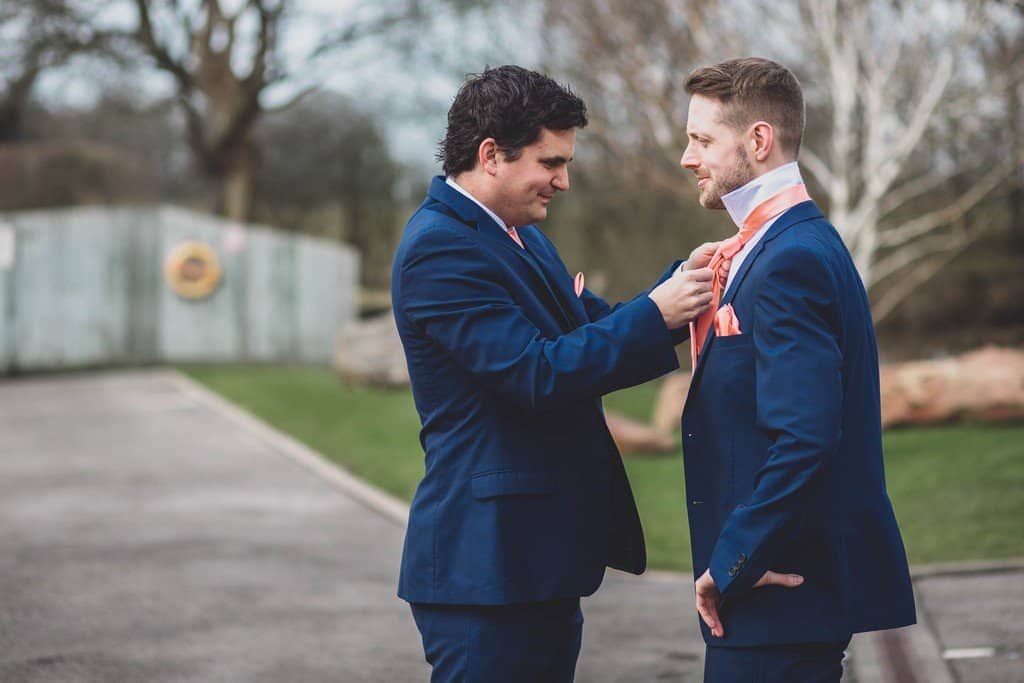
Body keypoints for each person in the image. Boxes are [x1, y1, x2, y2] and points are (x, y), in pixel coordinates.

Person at [391, 65, 715, 682]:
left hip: (537, 560)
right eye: (550, 162)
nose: (562, 181)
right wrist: (655, 312)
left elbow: (585, 330)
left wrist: (685, 289)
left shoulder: (521, 234)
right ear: (491, 155)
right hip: (485, 569)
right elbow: (535, 373)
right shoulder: (439, 249)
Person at [676, 57, 917, 681]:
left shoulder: (790, 261)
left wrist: (735, 561)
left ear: (758, 141)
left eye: (702, 139)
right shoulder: (784, 245)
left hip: (775, 594)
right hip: (776, 598)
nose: (687, 157)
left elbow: (807, 433)